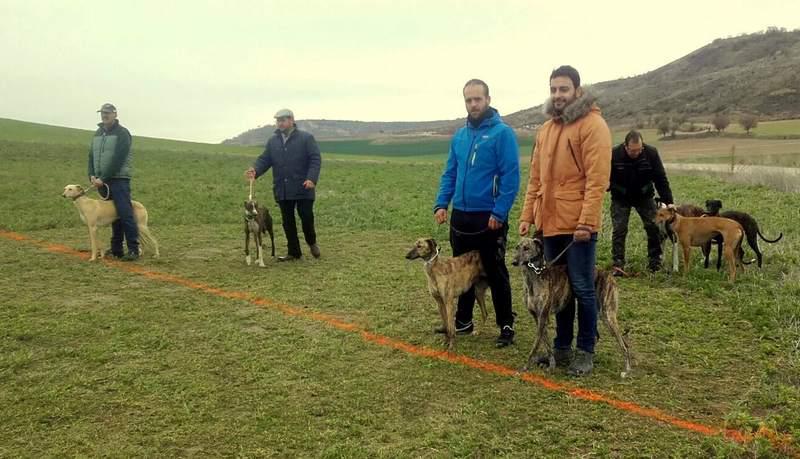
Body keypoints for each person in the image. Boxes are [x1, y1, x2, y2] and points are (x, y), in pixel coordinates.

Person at [518, 66, 612, 376]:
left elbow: (597, 180)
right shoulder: (547, 129)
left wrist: (586, 222)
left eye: (564, 89)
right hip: (549, 223)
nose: (558, 95)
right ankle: (561, 346)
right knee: (557, 288)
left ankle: (585, 350)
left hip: (578, 227)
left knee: (582, 287)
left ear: (577, 91)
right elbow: (535, 178)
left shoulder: (593, 125)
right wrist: (527, 215)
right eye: (554, 89)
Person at [433, 79, 520, 348]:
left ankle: (506, 324)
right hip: (461, 215)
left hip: (489, 217)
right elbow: (450, 172)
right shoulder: (460, 136)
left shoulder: (502, 134)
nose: (473, 104)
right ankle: (463, 321)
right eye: (468, 100)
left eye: (477, 99)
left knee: (494, 271)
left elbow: (511, 178)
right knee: (462, 271)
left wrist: (499, 212)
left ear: (488, 100)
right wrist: (441, 203)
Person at [245, 109, 321, 261]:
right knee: (288, 222)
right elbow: (265, 159)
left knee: (306, 218)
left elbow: (315, 159)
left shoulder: (306, 138)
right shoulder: (273, 141)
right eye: (278, 121)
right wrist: (256, 170)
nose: (280, 123)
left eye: (283, 120)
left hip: (304, 186)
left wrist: (311, 179)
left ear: (291, 120)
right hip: (283, 188)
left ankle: (311, 242)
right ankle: (294, 252)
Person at [609, 130, 674, 275]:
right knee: (619, 229)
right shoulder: (614, 154)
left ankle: (655, 261)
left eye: (639, 150)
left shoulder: (651, 153)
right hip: (621, 197)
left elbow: (660, 178)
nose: (636, 153)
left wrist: (668, 201)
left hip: (644, 196)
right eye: (633, 151)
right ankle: (618, 263)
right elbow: (605, 177)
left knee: (654, 226)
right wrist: (610, 187)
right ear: (625, 146)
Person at [87, 103, 138, 261]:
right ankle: (116, 249)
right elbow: (91, 156)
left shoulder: (122, 133)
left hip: (119, 179)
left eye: (108, 113)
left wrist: (103, 177)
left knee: (125, 214)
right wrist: (92, 174)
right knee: (113, 216)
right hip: (102, 181)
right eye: (103, 113)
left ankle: (133, 249)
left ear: (115, 114)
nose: (105, 115)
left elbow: (118, 159)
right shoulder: (98, 133)